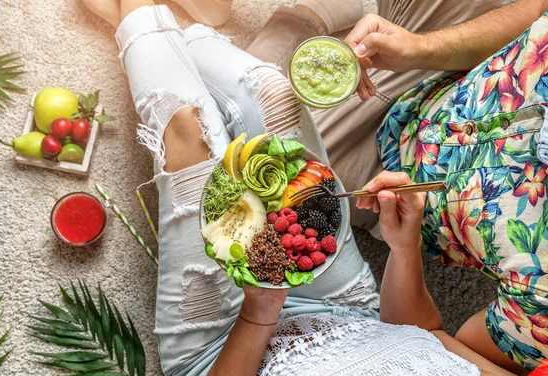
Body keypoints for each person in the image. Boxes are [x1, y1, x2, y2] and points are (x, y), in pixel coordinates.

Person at [83, 0, 533, 374]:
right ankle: (179, 31)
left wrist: (260, 310)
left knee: (188, 130)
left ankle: (140, 18)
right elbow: (426, 336)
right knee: (273, 92)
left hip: (219, 346)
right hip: (344, 305)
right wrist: (404, 246)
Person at [247, 0, 548, 373]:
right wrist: (420, 49)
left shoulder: (543, 306)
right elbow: (538, 10)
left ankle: (326, 18)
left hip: (387, 176)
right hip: (448, 69)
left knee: (256, 107)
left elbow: (428, 347)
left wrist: (404, 250)